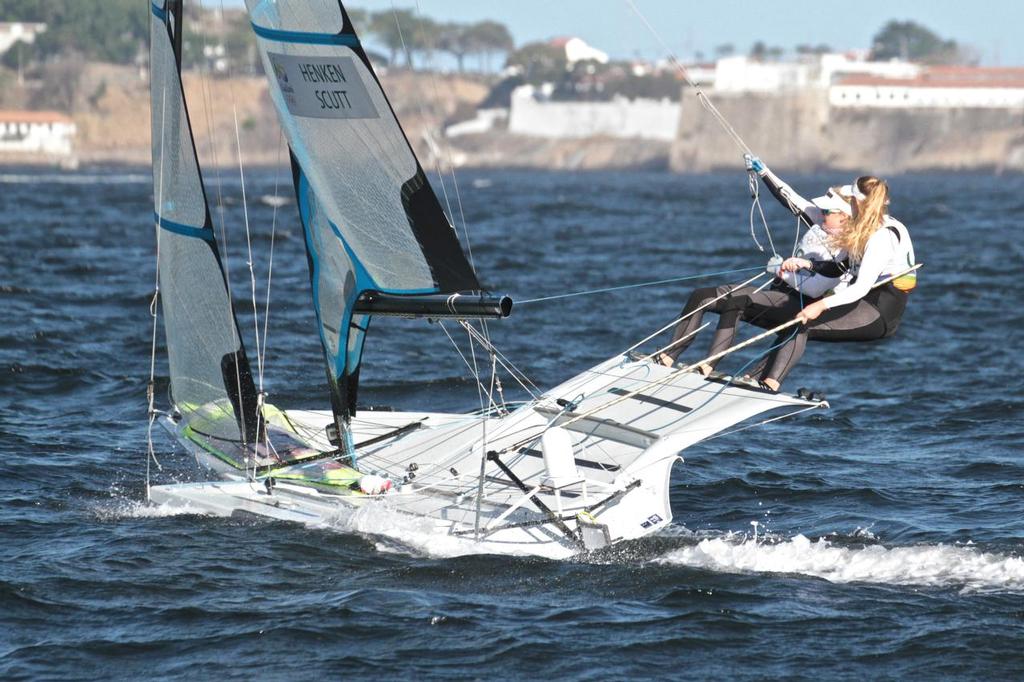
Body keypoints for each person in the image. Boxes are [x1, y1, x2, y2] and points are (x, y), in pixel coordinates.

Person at [654, 161, 854, 388]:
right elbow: (790, 197)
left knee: (739, 301)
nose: (821, 212)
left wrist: (783, 272)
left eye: (827, 211)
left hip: (797, 305)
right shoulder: (820, 223)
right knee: (702, 295)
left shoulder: (847, 249)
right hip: (776, 294)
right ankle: (668, 357)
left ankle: (708, 366)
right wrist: (763, 172)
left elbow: (816, 289)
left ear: (844, 217)